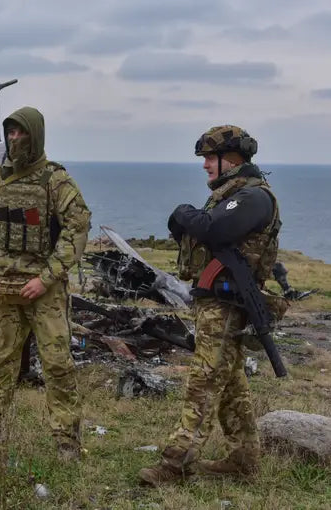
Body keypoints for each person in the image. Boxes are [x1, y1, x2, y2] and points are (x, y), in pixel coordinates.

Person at [139, 125, 281, 486]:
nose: (204, 165)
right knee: (229, 382)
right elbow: (200, 231)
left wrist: (183, 212)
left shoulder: (253, 197)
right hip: (215, 301)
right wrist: (189, 219)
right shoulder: (228, 194)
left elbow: (213, 230)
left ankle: (175, 464)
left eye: (208, 158)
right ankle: (243, 460)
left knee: (203, 382)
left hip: (229, 305)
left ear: (230, 159)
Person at [0, 106, 92, 460]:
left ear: (36, 136)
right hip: (2, 289)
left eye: (22, 133)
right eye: (10, 133)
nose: (15, 140)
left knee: (57, 363)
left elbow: (76, 230)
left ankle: (66, 438)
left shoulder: (56, 181)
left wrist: (46, 278)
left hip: (43, 292)